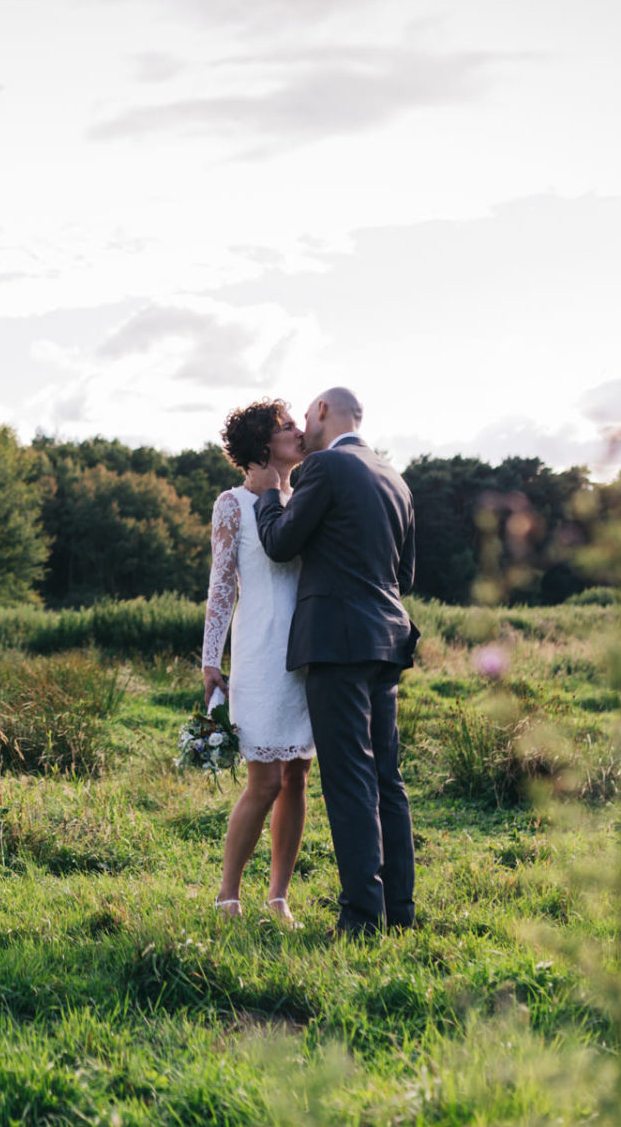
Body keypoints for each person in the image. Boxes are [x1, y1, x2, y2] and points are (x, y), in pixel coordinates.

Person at [251, 386, 420, 936]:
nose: (302, 425)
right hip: (387, 639)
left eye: (305, 414)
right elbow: (406, 574)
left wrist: (269, 494)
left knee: (349, 780)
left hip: (337, 644)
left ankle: (360, 920)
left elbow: (280, 543)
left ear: (324, 411)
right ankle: (400, 912)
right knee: (385, 779)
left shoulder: (324, 468)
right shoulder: (394, 477)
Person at [200, 398, 316, 927]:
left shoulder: (307, 496)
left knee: (297, 776)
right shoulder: (233, 503)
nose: (299, 431)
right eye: (287, 426)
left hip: (307, 651)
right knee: (264, 780)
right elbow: (221, 585)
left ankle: (278, 896)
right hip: (261, 650)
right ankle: (228, 894)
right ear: (263, 443)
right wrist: (210, 661)